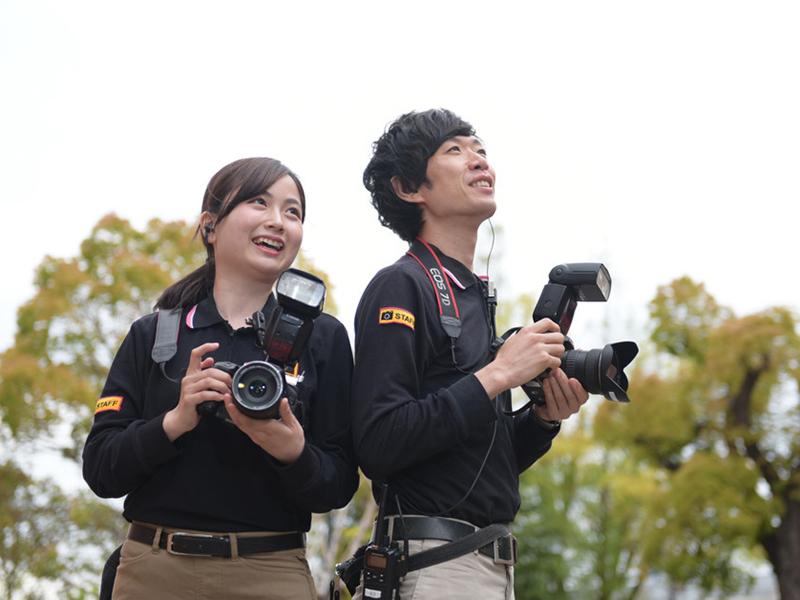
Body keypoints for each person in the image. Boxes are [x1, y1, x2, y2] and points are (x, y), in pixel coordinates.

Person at [83, 157, 359, 600]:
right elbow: (100, 469)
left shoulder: (322, 337)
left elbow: (339, 483)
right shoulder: (155, 334)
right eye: (259, 202)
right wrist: (173, 422)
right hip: (154, 571)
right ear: (211, 226)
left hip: (271, 572)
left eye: (293, 212)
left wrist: (293, 453)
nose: (278, 222)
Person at [350, 109, 589, 599]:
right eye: (455, 151)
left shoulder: (473, 297)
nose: (479, 160)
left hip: (489, 564)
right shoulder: (401, 284)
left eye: (479, 149)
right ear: (409, 188)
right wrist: (499, 374)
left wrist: (542, 420)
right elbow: (378, 442)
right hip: (431, 566)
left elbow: (478, 465)